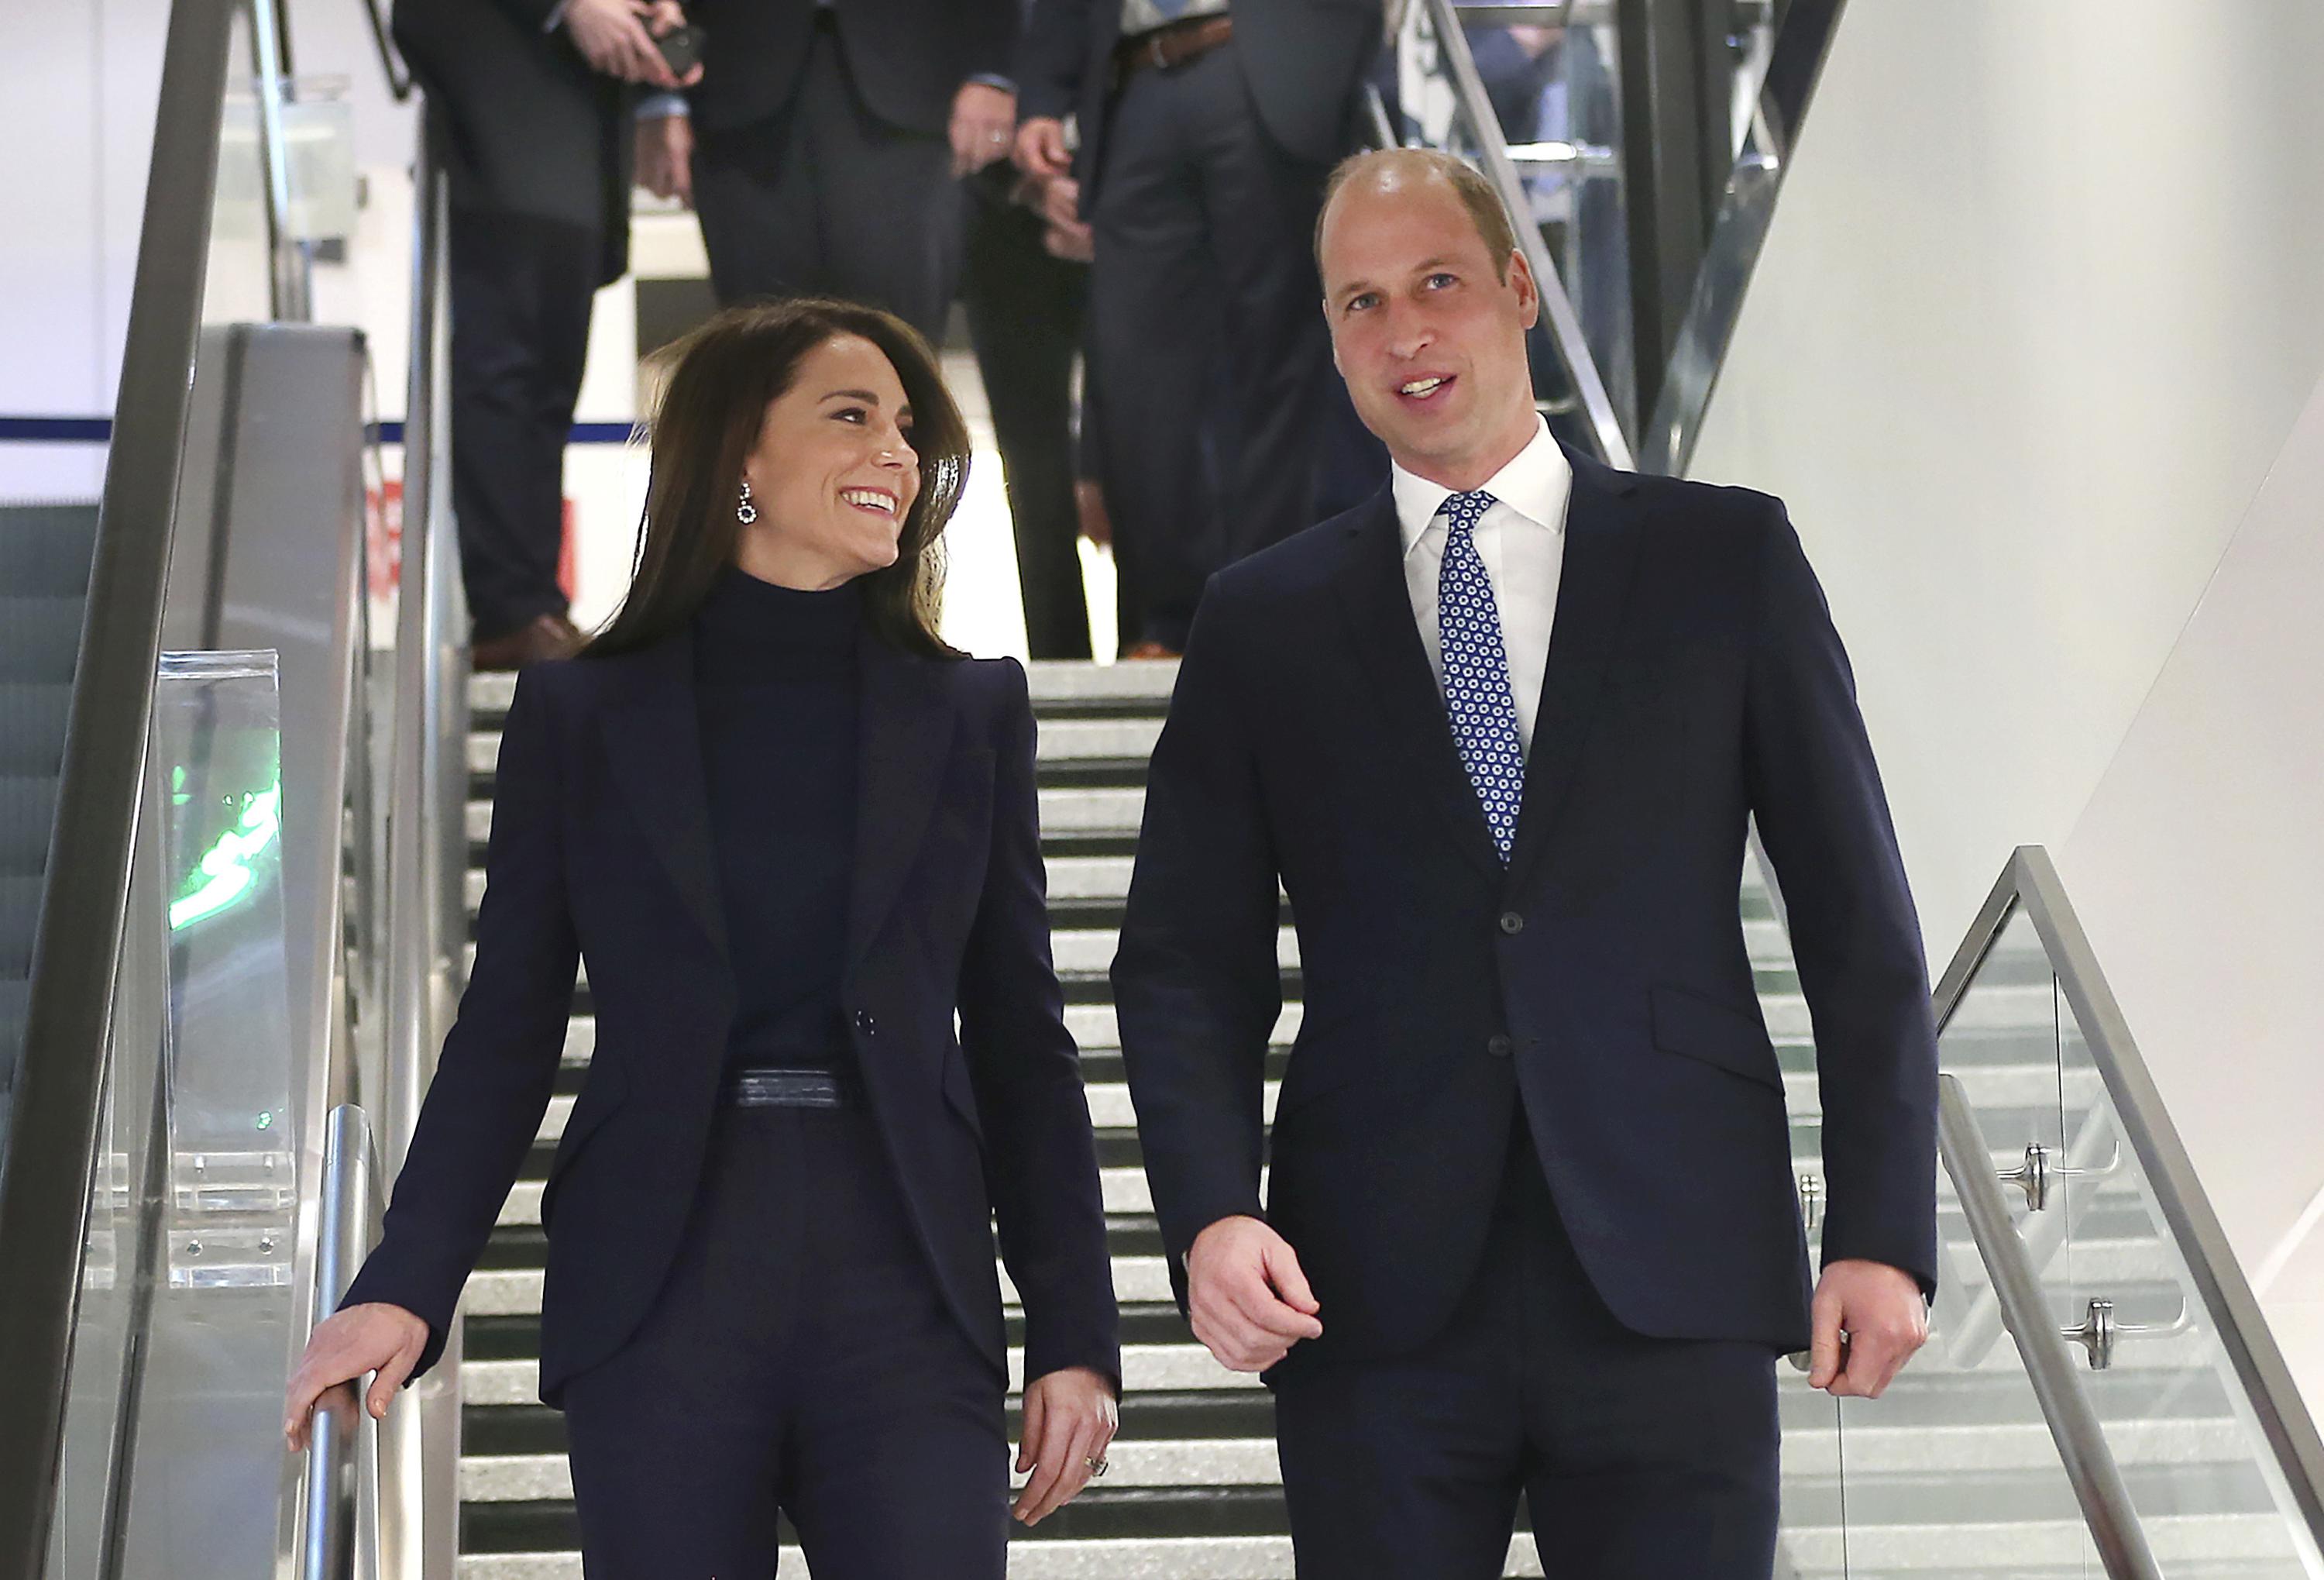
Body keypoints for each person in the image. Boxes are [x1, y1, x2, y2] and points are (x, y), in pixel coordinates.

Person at [1112, 149, 1937, 1577]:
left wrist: (1883, 1228)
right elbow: (1188, 957)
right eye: (1360, 302)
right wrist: (1209, 1206)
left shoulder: (1722, 558)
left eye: (1436, 282)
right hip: (1367, 1293)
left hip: (1673, 1264)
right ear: (1331, 338)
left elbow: (1857, 919)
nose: (1405, 333)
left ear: (1515, 289)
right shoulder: (1263, 619)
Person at [286, 299, 1121, 1575]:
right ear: (739, 452)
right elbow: (510, 1021)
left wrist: (1075, 1326)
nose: (897, 451)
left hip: (905, 1268)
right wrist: (404, 1280)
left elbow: (1020, 1038)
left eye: (909, 427)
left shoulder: (971, 710)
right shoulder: (579, 711)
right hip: (663, 1275)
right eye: (852, 415)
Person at [1012, 0, 1387, 655]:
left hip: (1269, 55)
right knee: (1132, 369)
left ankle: (1260, 616)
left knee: (1278, 361)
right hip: (1134, 81)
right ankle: (1174, 620)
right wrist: (1044, 90)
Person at [392, 0, 696, 670]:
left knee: (549, 375)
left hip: (580, 101)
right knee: (509, 365)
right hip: (501, 74)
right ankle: (511, 611)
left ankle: (534, 604)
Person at [633, 1, 1020, 343]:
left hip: (920, 81)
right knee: (759, 347)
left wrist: (994, 71)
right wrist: (658, 97)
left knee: (899, 345)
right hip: (732, 79)